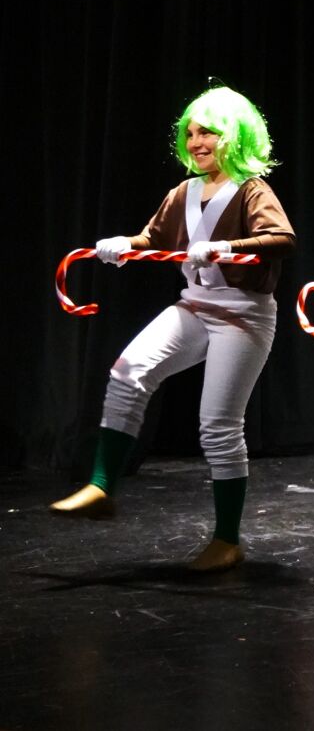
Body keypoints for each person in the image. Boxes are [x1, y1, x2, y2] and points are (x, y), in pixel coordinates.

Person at [51, 86, 296, 573]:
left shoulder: (250, 189)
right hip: (195, 304)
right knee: (127, 372)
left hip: (244, 313)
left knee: (218, 425)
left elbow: (282, 239)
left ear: (234, 136)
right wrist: (121, 244)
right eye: (190, 132)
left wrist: (226, 247)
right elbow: (153, 239)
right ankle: (102, 487)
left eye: (207, 131)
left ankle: (227, 539)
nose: (197, 140)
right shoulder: (183, 192)